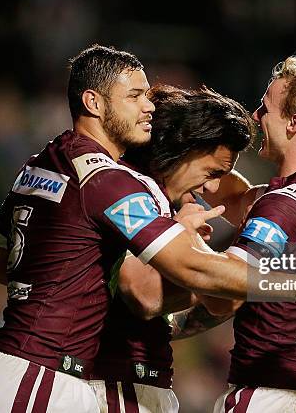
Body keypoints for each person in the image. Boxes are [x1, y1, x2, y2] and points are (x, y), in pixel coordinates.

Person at [0, 45, 296, 413]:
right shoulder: (117, 184)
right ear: (93, 101)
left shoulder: (49, 159)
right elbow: (154, 289)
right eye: (135, 96)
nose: (148, 106)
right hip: (73, 376)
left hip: (66, 371)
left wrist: (72, 285)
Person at [195, 56, 296, 412]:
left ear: (293, 124)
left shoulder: (284, 205)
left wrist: (180, 242)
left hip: (266, 396)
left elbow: (223, 290)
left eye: (265, 108)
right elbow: (238, 199)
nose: (256, 116)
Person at [91, 84, 255, 413]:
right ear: (182, 149)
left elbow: (246, 198)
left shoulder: (165, 196)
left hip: (139, 382)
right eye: (211, 173)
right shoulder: (127, 190)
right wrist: (219, 274)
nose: (211, 187)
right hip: (108, 387)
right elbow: (144, 295)